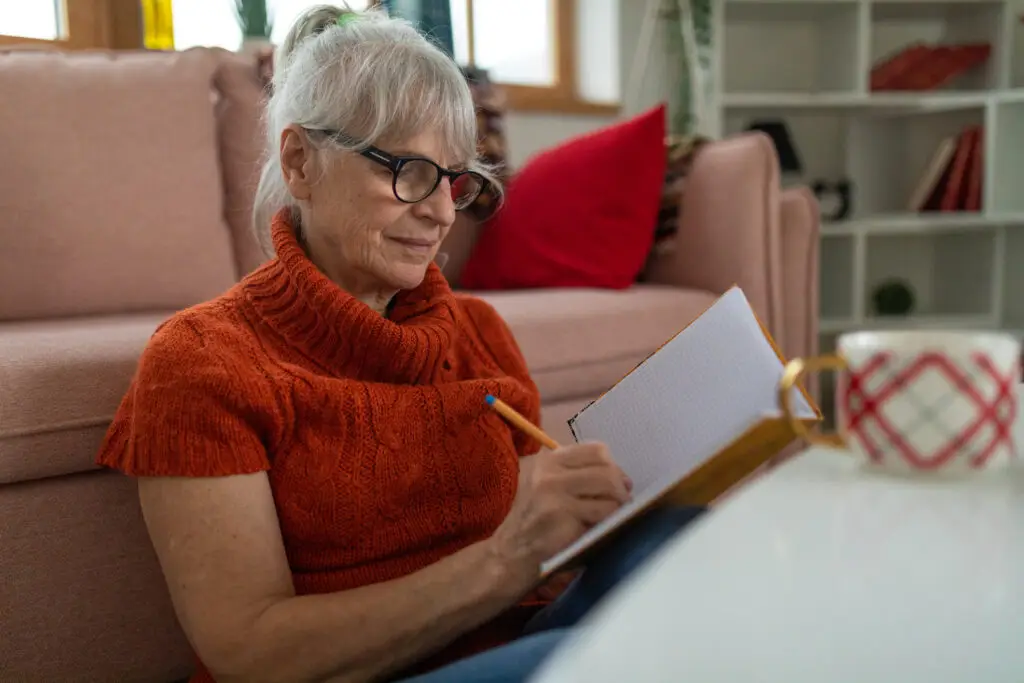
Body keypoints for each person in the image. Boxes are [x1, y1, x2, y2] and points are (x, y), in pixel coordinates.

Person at [96, 6, 705, 683]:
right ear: (300, 162)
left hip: (516, 643)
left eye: (455, 179)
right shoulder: (203, 362)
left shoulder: (478, 334)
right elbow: (251, 653)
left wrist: (608, 500)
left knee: (685, 532)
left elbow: (542, 547)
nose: (443, 210)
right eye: (410, 171)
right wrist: (505, 561)